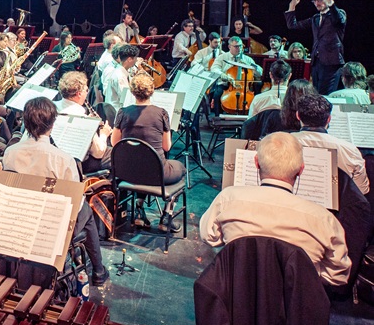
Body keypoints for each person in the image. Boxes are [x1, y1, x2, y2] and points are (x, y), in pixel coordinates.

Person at [199, 132, 350, 286]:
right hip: (295, 297)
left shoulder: (228, 198)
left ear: (256, 163)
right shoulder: (324, 219)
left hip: (238, 291)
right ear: (301, 169)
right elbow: (338, 275)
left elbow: (209, 236)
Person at [2, 97, 109, 287]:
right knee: (86, 209)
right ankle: (98, 271)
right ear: (52, 125)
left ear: (25, 123)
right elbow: (74, 203)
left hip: (22, 217)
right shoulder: (63, 159)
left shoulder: (10, 152)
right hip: (51, 225)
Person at [111, 72, 186, 230]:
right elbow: (166, 147)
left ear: (132, 92)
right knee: (181, 168)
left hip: (128, 172)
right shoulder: (161, 113)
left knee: (142, 163)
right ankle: (166, 216)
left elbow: (114, 143)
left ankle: (139, 211)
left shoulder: (122, 112)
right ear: (152, 91)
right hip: (157, 173)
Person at [293, 94, 369, 195]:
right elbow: (362, 190)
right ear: (329, 119)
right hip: (337, 203)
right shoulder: (350, 150)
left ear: (297, 116)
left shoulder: (281, 142)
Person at [285, 0, 346, 94]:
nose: (317, 3)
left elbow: (338, 20)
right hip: (317, 62)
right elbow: (292, 25)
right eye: (314, 1)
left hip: (331, 62)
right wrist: (292, 6)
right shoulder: (315, 18)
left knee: (325, 94)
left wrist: (330, 1)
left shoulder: (339, 13)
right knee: (316, 93)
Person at [55, 71, 112, 173]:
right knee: (118, 154)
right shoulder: (82, 119)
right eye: (86, 90)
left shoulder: (53, 107)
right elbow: (98, 153)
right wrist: (104, 134)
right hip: (80, 165)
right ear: (79, 94)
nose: (87, 92)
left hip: (58, 160)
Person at [103, 44, 140, 113]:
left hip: (119, 109)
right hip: (117, 112)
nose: (136, 60)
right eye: (135, 58)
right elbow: (126, 99)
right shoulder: (119, 76)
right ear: (129, 59)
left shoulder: (122, 71)